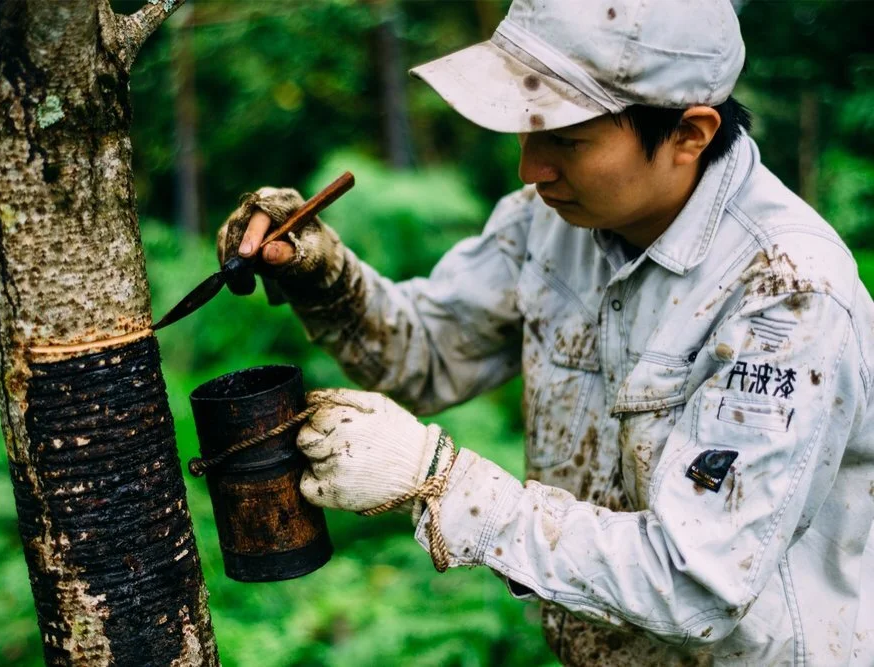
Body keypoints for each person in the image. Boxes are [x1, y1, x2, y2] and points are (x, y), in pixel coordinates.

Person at [216, 0, 874, 664]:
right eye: (528, 130)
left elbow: (694, 582)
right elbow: (428, 352)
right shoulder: (551, 222)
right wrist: (321, 273)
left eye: (566, 139)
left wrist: (441, 480)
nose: (530, 169)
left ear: (689, 135)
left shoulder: (786, 295)